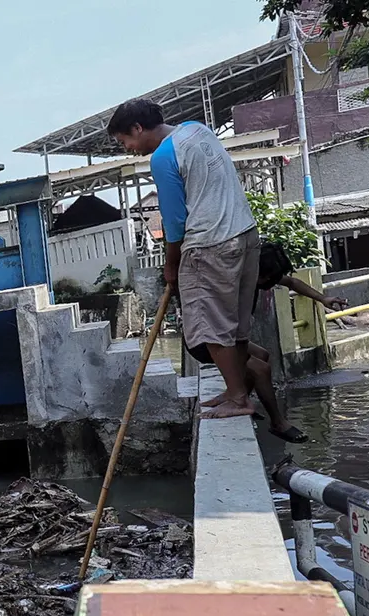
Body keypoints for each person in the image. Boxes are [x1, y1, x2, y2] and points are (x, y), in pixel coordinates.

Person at [107, 99, 259, 419]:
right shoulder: (197, 130)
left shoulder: (163, 157)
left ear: (138, 128)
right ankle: (237, 391)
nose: (130, 149)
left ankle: (238, 398)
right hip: (245, 234)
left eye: (126, 141)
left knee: (210, 326)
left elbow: (174, 221)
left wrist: (171, 264)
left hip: (210, 243)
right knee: (236, 327)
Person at [181, 241, 347, 443]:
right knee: (260, 369)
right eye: (269, 278)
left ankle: (236, 395)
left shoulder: (253, 273)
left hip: (229, 339)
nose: (271, 282)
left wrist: (323, 299)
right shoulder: (236, 280)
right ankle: (278, 422)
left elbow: (293, 283)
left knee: (262, 355)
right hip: (207, 341)